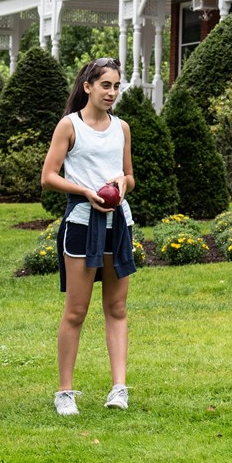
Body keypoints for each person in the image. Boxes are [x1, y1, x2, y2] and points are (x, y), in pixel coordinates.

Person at [40, 58, 136, 416]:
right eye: (105, 85)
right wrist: (85, 191)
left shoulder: (122, 128)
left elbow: (129, 176)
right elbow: (48, 176)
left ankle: (119, 388)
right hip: (81, 225)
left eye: (116, 86)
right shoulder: (69, 126)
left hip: (118, 226)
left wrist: (122, 184)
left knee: (117, 308)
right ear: (88, 87)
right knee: (76, 311)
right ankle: (65, 392)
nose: (111, 93)